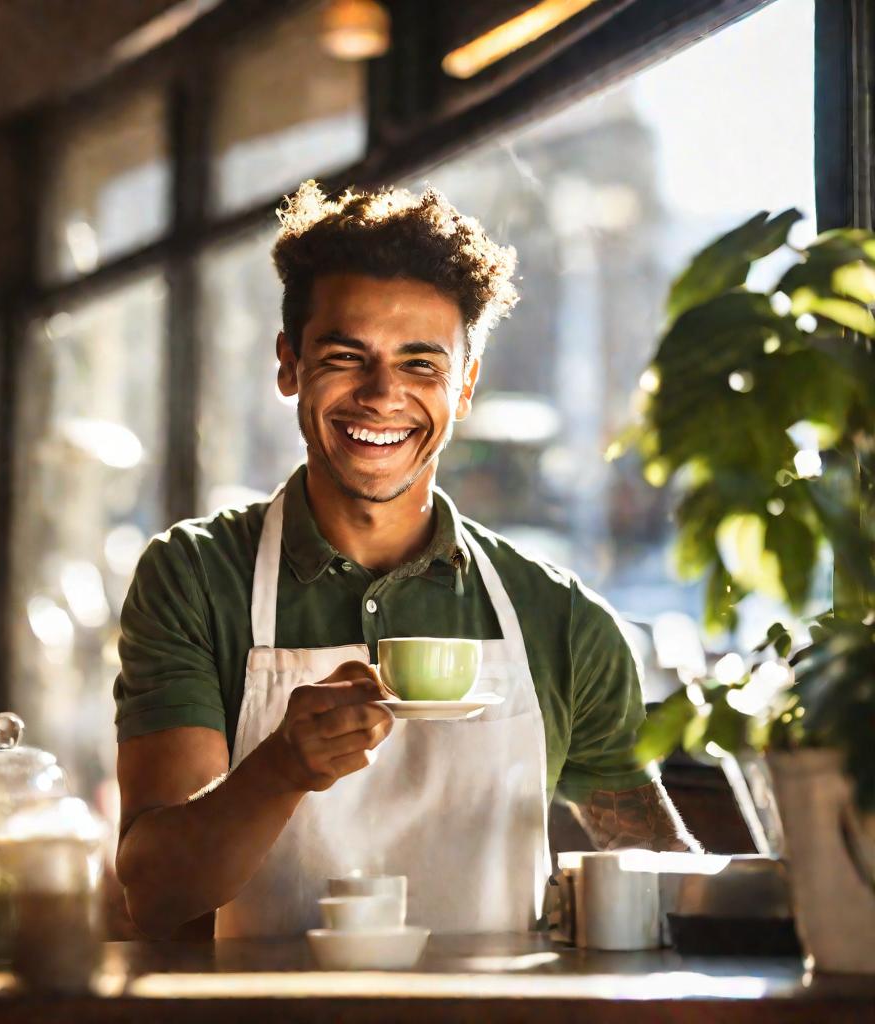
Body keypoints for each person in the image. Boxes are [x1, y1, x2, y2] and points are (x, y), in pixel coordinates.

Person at [114, 181, 698, 939]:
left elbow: (662, 877)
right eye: (346, 356)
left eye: (421, 365)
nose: (382, 394)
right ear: (289, 364)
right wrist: (280, 768)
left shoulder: (561, 621)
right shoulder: (196, 576)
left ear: (466, 385)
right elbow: (155, 891)